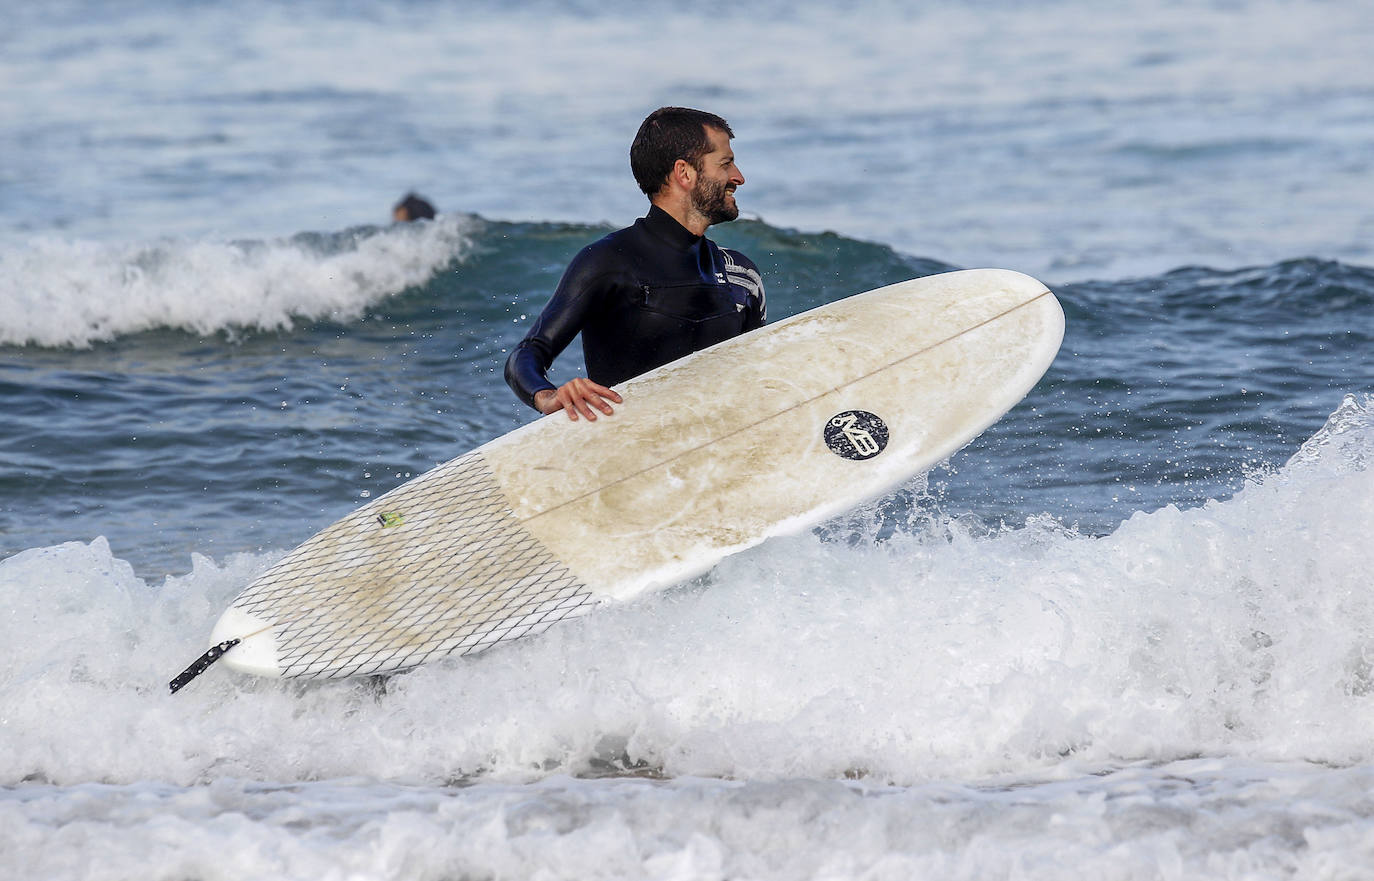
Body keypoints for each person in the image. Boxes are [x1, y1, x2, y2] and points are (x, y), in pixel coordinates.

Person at [504, 106, 766, 420]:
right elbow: (528, 353)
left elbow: (757, 380)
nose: (738, 177)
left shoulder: (741, 276)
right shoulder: (608, 263)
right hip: (634, 456)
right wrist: (548, 396)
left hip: (717, 455)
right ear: (684, 173)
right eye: (725, 163)